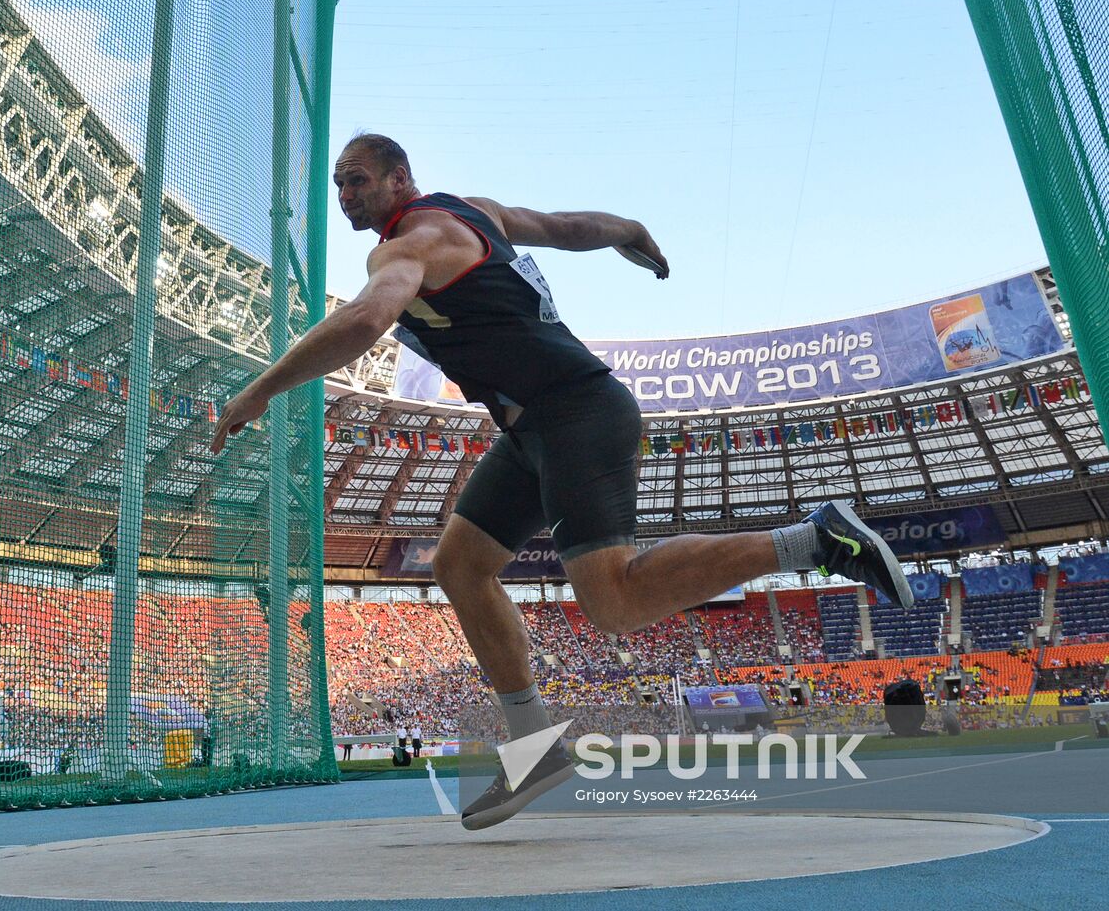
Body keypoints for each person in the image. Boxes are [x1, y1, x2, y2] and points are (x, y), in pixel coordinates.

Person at [212, 132, 914, 830]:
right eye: (339, 184)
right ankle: (533, 745)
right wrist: (627, 231)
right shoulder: (474, 211)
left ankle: (813, 540)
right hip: (533, 431)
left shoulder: (407, 246)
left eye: (358, 179)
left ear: (400, 177)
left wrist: (261, 391)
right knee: (460, 562)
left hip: (576, 409)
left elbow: (367, 316)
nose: (345, 195)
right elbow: (561, 227)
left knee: (613, 600)